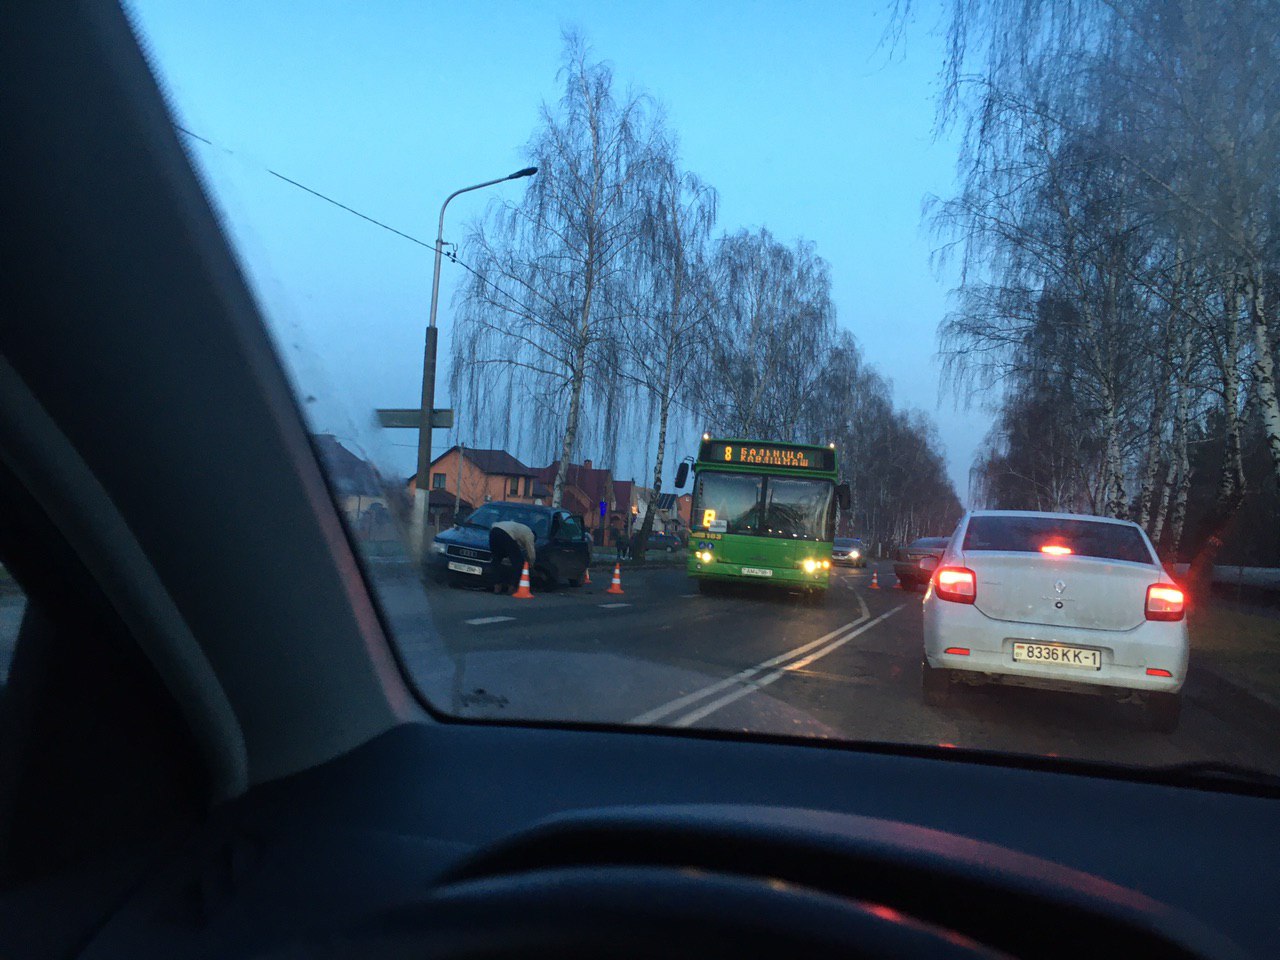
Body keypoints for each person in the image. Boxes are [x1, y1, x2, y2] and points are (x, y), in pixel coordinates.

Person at [489, 519, 536, 594]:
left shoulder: (519, 529)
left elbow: (510, 549)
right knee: (518, 563)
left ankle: (497, 586)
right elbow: (531, 551)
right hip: (505, 534)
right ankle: (512, 587)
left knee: (496, 560)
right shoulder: (530, 534)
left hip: (494, 531)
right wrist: (531, 563)